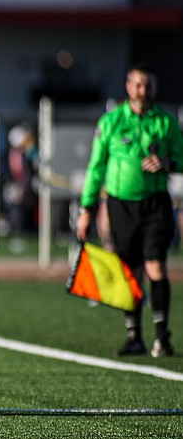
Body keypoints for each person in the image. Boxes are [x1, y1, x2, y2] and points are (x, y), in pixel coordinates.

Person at [76, 62, 183, 358]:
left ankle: (162, 336)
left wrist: (168, 163)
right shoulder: (111, 122)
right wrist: (86, 208)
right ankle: (133, 335)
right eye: (137, 84)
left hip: (155, 204)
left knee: (156, 267)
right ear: (128, 86)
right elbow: (96, 168)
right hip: (120, 206)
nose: (142, 91)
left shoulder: (165, 122)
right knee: (129, 270)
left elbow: (181, 157)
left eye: (147, 85)